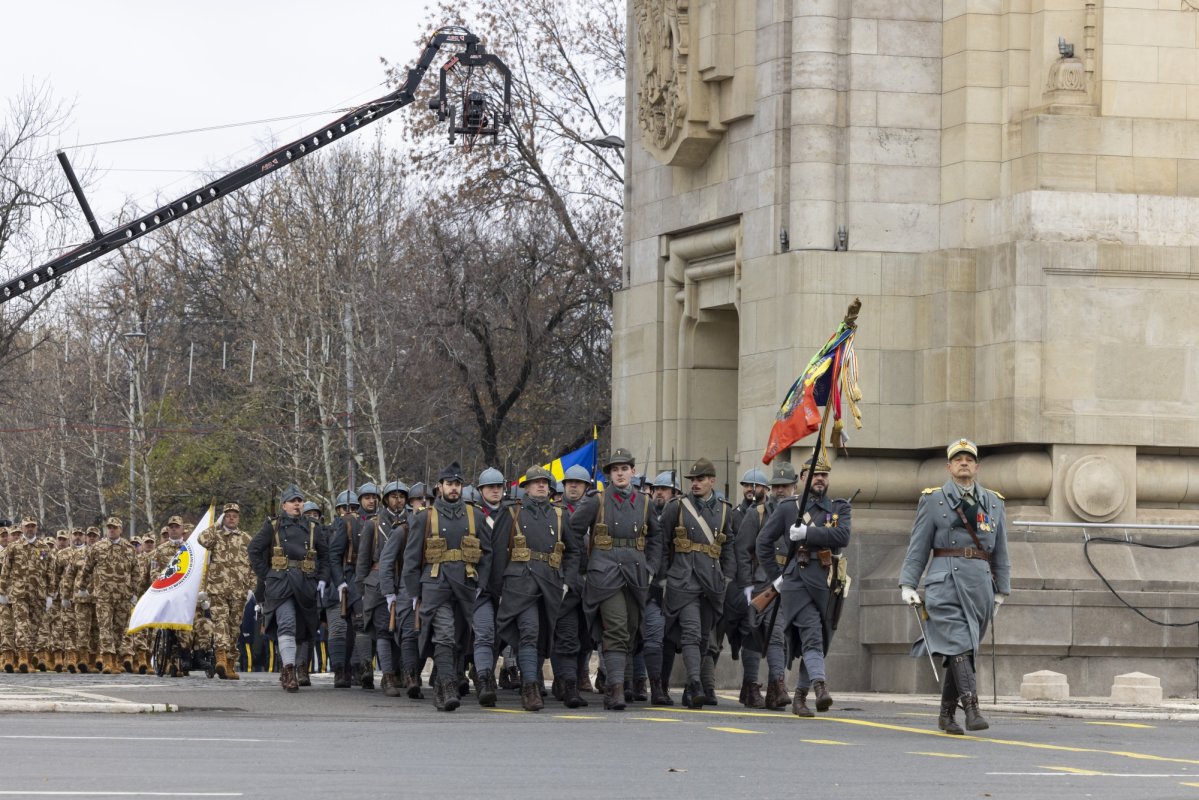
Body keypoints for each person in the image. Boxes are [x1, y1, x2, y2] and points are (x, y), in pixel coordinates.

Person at [899, 438, 1010, 734]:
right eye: (958, 459)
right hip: (944, 581)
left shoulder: (994, 502)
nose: (964, 463)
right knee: (959, 641)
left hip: (980, 585)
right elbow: (918, 545)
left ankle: (946, 715)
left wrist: (1002, 589)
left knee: (963, 648)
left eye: (969, 459)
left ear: (977, 466)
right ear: (948, 467)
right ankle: (972, 708)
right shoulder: (933, 500)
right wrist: (908, 582)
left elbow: (1000, 550)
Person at [567, 448, 663, 711]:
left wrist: (651, 566)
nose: (620, 474)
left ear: (633, 471)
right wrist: (586, 567)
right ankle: (615, 690)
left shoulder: (644, 502)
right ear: (609, 474)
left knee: (632, 627)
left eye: (624, 469)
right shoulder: (596, 500)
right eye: (615, 470)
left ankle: (621, 682)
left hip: (635, 573)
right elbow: (573, 532)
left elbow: (656, 537)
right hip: (605, 573)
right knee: (617, 627)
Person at [756, 455, 851, 716]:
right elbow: (762, 542)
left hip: (827, 582)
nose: (819, 479)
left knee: (820, 638)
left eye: (824, 475)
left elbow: (843, 536)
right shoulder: (789, 508)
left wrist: (809, 534)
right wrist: (777, 575)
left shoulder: (839, 508)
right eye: (814, 474)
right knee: (811, 632)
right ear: (803, 478)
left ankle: (799, 697)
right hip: (797, 581)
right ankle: (820, 687)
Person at [401, 461, 489, 711]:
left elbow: (488, 553)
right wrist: (415, 593)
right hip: (435, 585)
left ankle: (442, 682)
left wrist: (481, 582)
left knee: (460, 637)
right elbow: (411, 558)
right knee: (445, 634)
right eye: (449, 484)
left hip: (465, 585)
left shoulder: (475, 516)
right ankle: (448, 684)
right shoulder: (425, 518)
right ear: (439, 487)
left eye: (458, 484)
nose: (453, 488)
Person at [490, 466, 580, 710]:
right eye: (536, 482)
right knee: (529, 632)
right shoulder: (512, 513)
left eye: (545, 483)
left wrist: (567, 582)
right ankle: (529, 688)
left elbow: (573, 552)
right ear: (526, 487)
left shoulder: (560, 515)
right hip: (521, 584)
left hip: (551, 583)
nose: (541, 486)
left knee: (541, 637)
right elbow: (498, 556)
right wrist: (500, 591)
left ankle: (534, 681)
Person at [658, 458, 737, 708]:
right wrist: (663, 577)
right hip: (684, 581)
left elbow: (729, 546)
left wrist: (727, 576)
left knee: (703, 636)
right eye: (692, 480)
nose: (695, 484)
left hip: (712, 583)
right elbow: (661, 542)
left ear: (712, 481)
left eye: (701, 479)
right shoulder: (677, 507)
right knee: (691, 633)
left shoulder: (724, 509)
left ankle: (692, 687)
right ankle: (693, 685)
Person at [248, 485, 330, 692]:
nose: (297, 504)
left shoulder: (313, 527)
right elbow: (254, 549)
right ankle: (289, 670)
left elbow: (326, 555)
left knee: (303, 629)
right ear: (284, 505)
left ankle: (296, 666)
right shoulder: (273, 526)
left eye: (299, 501)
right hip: (281, 582)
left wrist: (322, 578)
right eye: (292, 501)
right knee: (287, 624)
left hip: (305, 583)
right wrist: (266, 575)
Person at [356, 482, 405, 696]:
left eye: (401, 496)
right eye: (393, 496)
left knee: (403, 631)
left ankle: (403, 672)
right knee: (384, 630)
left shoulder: (413, 521)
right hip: (377, 584)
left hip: (403, 581)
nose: (398, 500)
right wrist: (362, 590)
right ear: (386, 499)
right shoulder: (373, 525)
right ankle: (387, 676)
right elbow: (363, 561)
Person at [197, 503, 255, 680]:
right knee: (220, 622)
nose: (231, 518)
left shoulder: (246, 539)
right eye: (228, 515)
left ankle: (229, 663)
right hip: (218, 588)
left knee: (234, 627)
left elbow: (253, 565)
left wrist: (252, 587)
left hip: (239, 590)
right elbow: (201, 539)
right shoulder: (216, 536)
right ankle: (220, 656)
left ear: (238, 518)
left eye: (234, 515)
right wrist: (216, 524)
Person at [74, 517, 140, 674]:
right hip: (103, 595)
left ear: (120, 530)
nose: (111, 530)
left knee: (119, 629)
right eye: (109, 527)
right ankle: (108, 660)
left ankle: (116, 658)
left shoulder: (128, 548)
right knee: (105, 627)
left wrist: (135, 592)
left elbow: (136, 572)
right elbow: (87, 568)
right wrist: (82, 587)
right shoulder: (98, 547)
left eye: (115, 527)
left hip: (123, 595)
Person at [0, 518, 51, 673]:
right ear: (22, 528)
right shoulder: (14, 547)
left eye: (32, 526)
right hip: (19, 593)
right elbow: (5, 570)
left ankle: (28, 658)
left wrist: (51, 594)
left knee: (35, 628)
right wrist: (2, 590)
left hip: (38, 594)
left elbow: (49, 571)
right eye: (27, 526)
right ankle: (22, 658)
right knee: (22, 625)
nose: (30, 529)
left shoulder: (43, 547)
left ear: (36, 528)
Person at [324, 490, 359, 688]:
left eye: (353, 508)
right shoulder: (329, 530)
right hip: (334, 585)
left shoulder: (363, 526)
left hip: (356, 583)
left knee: (356, 630)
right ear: (338, 510)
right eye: (345, 509)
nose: (349, 512)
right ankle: (339, 670)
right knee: (338, 629)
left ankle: (355, 668)